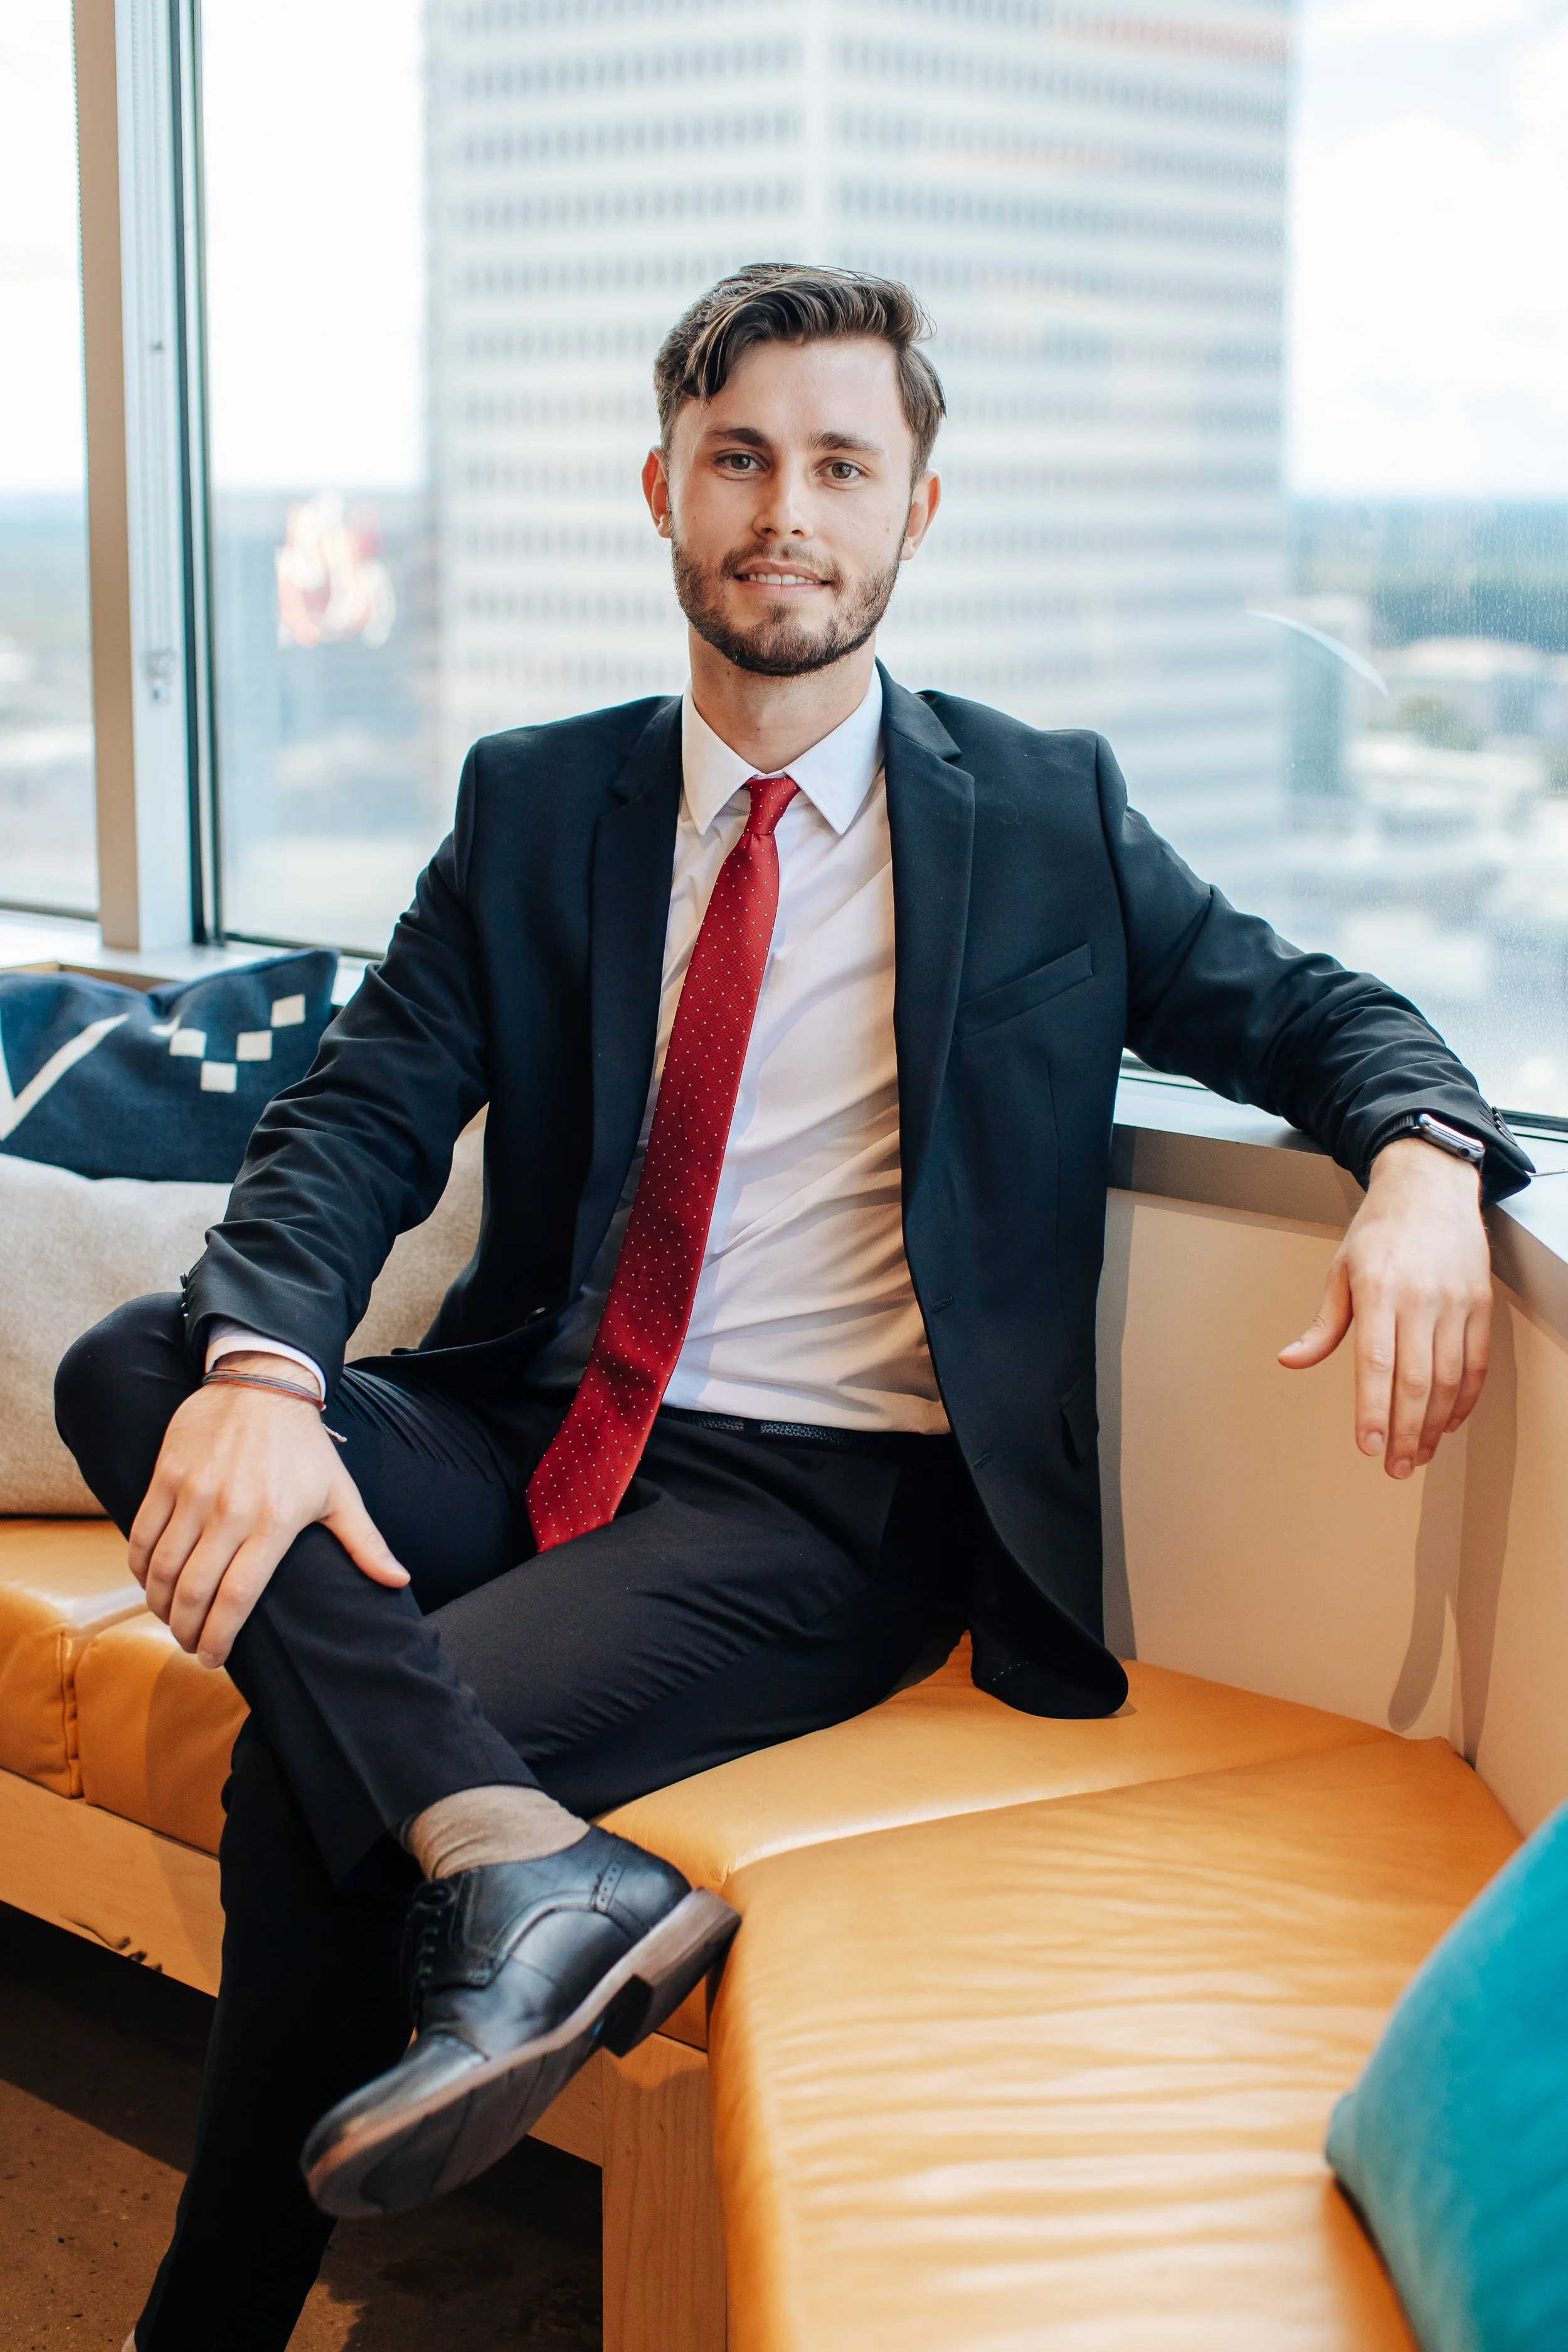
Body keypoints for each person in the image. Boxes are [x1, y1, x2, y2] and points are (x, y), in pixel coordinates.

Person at [56, 264, 1530, 2352]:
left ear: (914, 510)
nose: (784, 508)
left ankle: (202, 2325)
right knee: (147, 1353)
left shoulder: (1041, 815)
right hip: (531, 1416)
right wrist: (272, 1374)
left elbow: (1314, 1011)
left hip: (815, 1502)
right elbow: (362, 1110)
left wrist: (1418, 1162)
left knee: (305, 1776)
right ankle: (513, 1850)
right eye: (739, 457)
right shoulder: (534, 797)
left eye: (841, 463)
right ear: (659, 488)